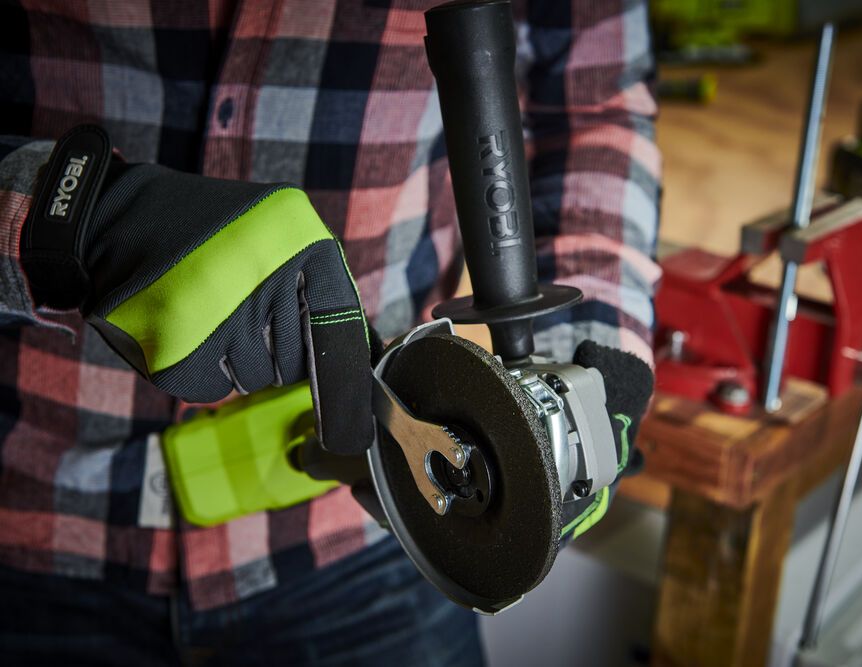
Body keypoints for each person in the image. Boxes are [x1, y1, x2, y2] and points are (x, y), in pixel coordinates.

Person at [0, 0, 662, 664]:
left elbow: (595, 105)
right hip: (40, 526)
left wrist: (592, 356)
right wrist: (65, 215)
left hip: (374, 546)